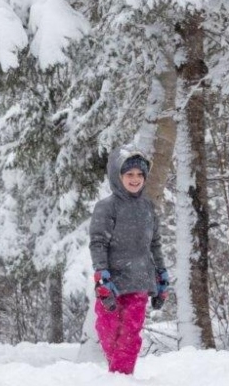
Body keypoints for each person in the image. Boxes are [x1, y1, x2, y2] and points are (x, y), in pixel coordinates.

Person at [89, 146, 169, 375]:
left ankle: (121, 377)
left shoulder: (147, 208)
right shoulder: (107, 207)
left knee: (130, 333)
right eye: (129, 174)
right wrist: (101, 275)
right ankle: (117, 374)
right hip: (112, 280)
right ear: (118, 176)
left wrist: (161, 273)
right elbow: (98, 243)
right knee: (107, 328)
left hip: (140, 279)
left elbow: (154, 244)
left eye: (139, 175)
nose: (135, 179)